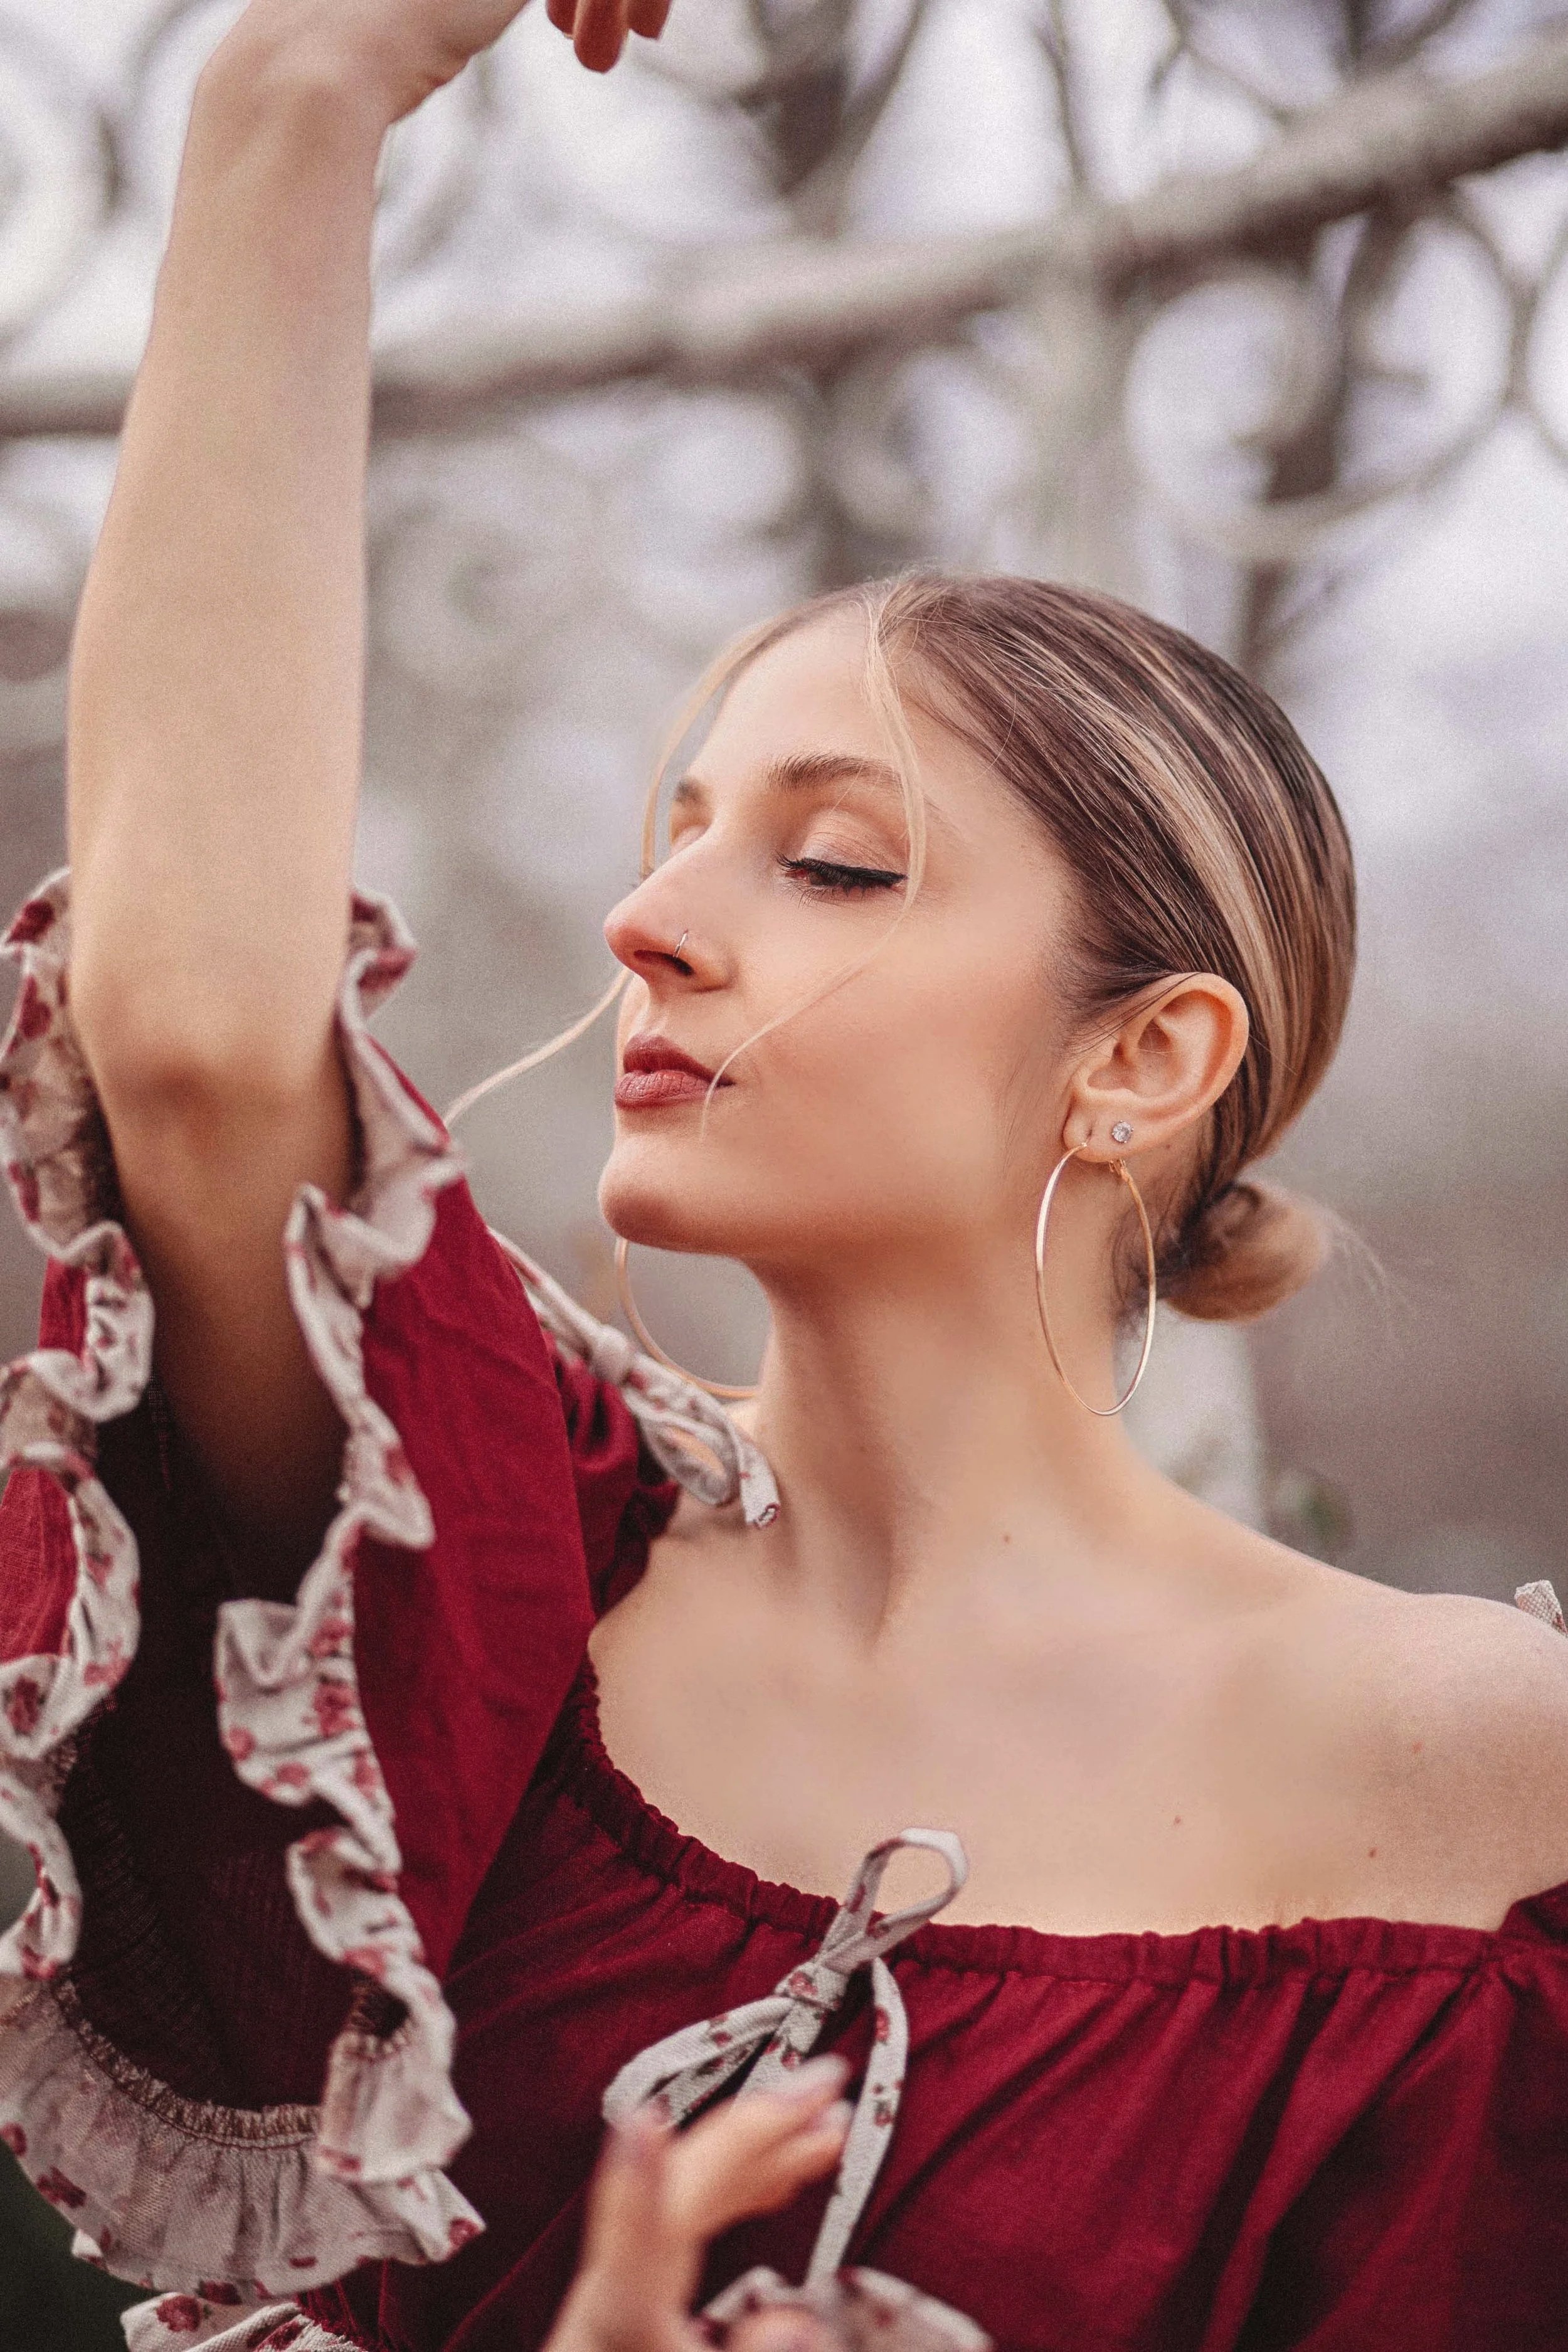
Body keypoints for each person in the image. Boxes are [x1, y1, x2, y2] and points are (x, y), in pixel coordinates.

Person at [1, 1, 1567, 2346]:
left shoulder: (1490, 1796)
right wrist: (294, 92)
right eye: (678, 829)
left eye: (833, 864)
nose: (651, 924)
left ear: (1142, 1059)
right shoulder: (497, 1584)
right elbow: (200, 1051)